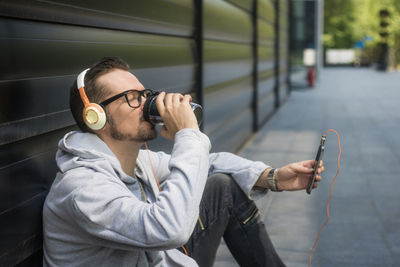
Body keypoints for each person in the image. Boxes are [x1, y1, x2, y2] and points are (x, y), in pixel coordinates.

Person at [42, 57, 324, 267]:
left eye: (144, 94)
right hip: (162, 247)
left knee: (222, 186)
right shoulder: (82, 188)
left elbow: (210, 163)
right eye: (131, 98)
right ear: (96, 117)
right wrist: (187, 135)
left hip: (158, 259)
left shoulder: (137, 160)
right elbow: (169, 229)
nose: (145, 104)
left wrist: (271, 177)